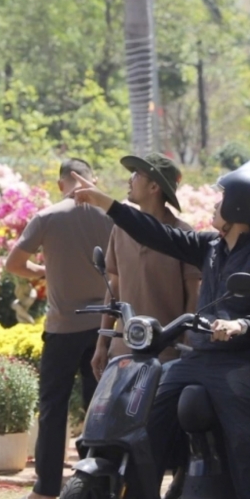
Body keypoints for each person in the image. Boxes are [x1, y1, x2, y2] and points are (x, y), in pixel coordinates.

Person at [72, 169, 250, 499]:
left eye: (222, 198)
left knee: (243, 445)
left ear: (239, 208)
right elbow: (157, 234)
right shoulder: (212, 246)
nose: (215, 203)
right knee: (145, 427)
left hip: (241, 365)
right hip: (199, 358)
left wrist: (242, 325)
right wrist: (105, 202)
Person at [3, 159, 114, 499]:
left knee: (53, 408)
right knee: (100, 407)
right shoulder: (112, 216)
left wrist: (40, 270)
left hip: (63, 326)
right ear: (91, 180)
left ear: (60, 183)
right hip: (105, 327)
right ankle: (100, 482)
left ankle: (46, 488)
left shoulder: (48, 217)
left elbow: (13, 263)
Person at [92, 153, 202, 378]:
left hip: (166, 355)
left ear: (154, 186)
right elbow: (115, 286)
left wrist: (186, 346)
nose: (129, 181)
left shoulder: (183, 234)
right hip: (123, 351)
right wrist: (102, 343)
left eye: (135, 174)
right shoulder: (120, 229)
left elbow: (194, 296)